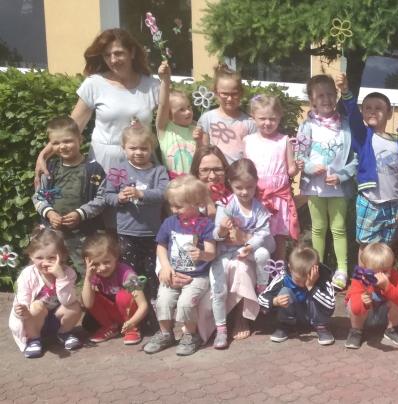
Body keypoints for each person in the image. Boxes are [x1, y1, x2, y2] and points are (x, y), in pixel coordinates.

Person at [35, 29, 159, 181]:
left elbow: (170, 123)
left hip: (143, 161)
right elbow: (73, 127)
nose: (113, 60)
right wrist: (43, 155)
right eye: (107, 55)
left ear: (132, 53)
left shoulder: (153, 86)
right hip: (104, 161)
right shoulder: (94, 84)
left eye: (118, 53)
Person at [337, 74, 398, 274]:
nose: (372, 111)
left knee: (386, 246)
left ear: (389, 113)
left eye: (378, 108)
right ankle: (362, 279)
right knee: (366, 244)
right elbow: (352, 116)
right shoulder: (364, 136)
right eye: (367, 108)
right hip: (371, 200)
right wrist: (346, 92)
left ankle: (382, 279)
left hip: (393, 202)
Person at [144, 176, 217, 356]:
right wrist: (165, 266)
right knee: (162, 300)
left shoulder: (206, 225)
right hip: (172, 273)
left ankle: (190, 335)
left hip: (197, 276)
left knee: (186, 303)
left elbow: (211, 252)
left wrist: (202, 255)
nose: (174, 209)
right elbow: (161, 246)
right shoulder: (169, 222)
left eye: (178, 206)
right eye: (172, 205)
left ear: (197, 203)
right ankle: (165, 334)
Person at [298, 76, 359, 289]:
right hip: (314, 186)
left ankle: (342, 270)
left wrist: (342, 175)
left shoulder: (346, 125)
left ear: (336, 95)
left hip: (338, 187)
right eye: (320, 95)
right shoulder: (306, 126)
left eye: (331, 94)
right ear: (312, 99)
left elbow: (354, 158)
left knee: (339, 228)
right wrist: (310, 167)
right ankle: (319, 269)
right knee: (318, 227)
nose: (326, 99)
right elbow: (299, 155)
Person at [104, 120, 168, 312]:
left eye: (144, 148)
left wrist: (141, 194)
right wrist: (119, 198)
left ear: (151, 148)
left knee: (151, 269)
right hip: (127, 231)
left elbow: (165, 193)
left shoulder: (158, 171)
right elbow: (107, 196)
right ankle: (133, 303)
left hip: (152, 231)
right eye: (133, 148)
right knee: (130, 271)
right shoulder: (118, 171)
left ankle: (154, 303)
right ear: (124, 148)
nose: (138, 152)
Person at [211, 159, 274, 348]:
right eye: (239, 187)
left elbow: (263, 233)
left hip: (246, 250)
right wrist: (222, 230)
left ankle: (263, 290)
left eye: (249, 187)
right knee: (218, 288)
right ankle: (221, 328)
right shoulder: (227, 205)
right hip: (225, 253)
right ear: (230, 183)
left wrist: (249, 245)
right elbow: (216, 234)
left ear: (256, 183)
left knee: (263, 253)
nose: (245, 192)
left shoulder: (259, 208)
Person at [33, 117, 106, 277]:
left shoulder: (94, 169)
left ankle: (93, 294)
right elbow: (38, 196)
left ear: (79, 139)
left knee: (91, 273)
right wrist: (49, 213)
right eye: (56, 143)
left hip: (84, 233)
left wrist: (80, 214)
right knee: (49, 271)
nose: (62, 146)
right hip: (53, 233)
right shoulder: (49, 168)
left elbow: (102, 199)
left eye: (68, 141)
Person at [10, 227, 82, 358]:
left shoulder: (68, 273)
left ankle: (64, 333)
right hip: (34, 322)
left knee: (75, 306)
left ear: (63, 255)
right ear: (31, 256)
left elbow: (68, 301)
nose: (45, 262)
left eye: (52, 257)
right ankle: (34, 339)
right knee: (36, 305)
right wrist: (21, 310)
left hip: (57, 321)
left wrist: (61, 277)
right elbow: (21, 298)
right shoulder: (28, 274)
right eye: (39, 257)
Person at [246, 94, 302, 262]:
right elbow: (245, 170)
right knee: (258, 234)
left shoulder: (284, 141)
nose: (267, 122)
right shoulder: (248, 141)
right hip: (257, 197)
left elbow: (290, 171)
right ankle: (259, 267)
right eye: (262, 118)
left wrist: (297, 167)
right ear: (253, 118)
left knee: (278, 236)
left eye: (272, 118)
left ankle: (279, 267)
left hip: (278, 198)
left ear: (279, 118)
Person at [257, 246, 336, 345]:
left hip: (317, 315)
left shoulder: (323, 277)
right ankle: (289, 324)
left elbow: (330, 304)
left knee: (317, 293)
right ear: (290, 267)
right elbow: (261, 298)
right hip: (296, 314)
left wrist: (311, 287)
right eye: (298, 280)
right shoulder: (283, 275)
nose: (302, 285)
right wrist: (275, 301)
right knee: (284, 291)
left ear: (316, 271)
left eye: (306, 281)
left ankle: (322, 327)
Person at [80, 234, 148, 345]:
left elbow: (143, 305)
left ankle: (133, 329)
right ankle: (110, 327)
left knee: (123, 295)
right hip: (113, 312)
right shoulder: (93, 274)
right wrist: (88, 279)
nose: (102, 268)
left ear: (115, 256)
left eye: (106, 262)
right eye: (96, 264)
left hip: (131, 316)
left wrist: (132, 322)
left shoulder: (127, 274)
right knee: (92, 295)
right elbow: (87, 304)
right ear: (86, 262)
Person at [344, 242, 398, 349]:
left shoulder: (394, 276)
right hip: (363, 315)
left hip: (383, 315)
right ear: (364, 268)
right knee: (353, 300)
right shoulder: (359, 277)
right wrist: (363, 302)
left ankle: (391, 329)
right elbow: (355, 309)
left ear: (391, 265)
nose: (380, 276)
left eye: (385, 271)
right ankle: (356, 331)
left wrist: (388, 287)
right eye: (374, 272)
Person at [195, 63, 258, 164]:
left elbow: (254, 152)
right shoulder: (207, 118)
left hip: (239, 171)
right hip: (215, 170)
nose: (229, 99)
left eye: (234, 94)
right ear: (215, 93)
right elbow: (203, 151)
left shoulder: (249, 122)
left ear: (241, 94)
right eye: (224, 94)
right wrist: (198, 141)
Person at [155, 62, 198, 178]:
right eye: (181, 110)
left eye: (189, 107)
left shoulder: (196, 129)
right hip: (173, 182)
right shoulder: (165, 128)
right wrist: (165, 79)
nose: (188, 112)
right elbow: (163, 105)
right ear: (169, 114)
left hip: (194, 181)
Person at [190, 145, 231, 219]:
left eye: (217, 169)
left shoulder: (238, 198)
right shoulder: (189, 202)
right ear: (196, 173)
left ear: (226, 171)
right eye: (205, 170)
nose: (212, 176)